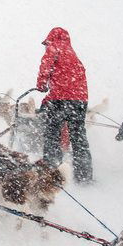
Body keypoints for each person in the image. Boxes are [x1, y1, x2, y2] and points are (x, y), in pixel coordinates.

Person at [35, 27, 93, 183]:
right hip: (80, 101)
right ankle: (84, 177)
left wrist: (41, 85)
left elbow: (45, 67)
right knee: (79, 138)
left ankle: (51, 175)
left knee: (52, 136)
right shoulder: (73, 54)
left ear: (51, 39)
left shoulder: (54, 47)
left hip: (60, 99)